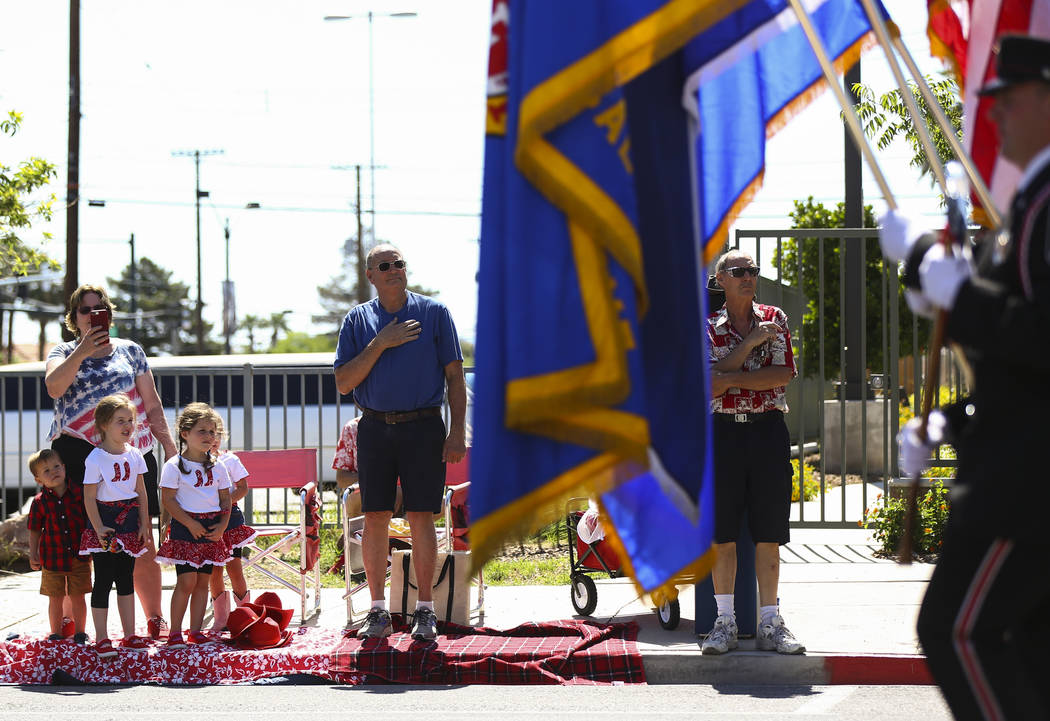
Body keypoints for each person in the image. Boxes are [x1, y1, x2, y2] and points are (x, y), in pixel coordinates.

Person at [880, 34, 1050, 721]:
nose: (996, 113)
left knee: (957, 630)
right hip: (1021, 468)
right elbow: (1019, 374)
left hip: (1027, 486)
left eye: (1010, 98)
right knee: (1028, 646)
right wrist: (947, 423)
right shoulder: (1031, 204)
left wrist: (944, 281)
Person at [333, 244, 467, 641]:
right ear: (371, 275)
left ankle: (425, 611)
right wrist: (381, 342)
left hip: (424, 427)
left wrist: (456, 431)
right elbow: (344, 382)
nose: (394, 270)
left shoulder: (435, 313)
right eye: (384, 266)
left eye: (399, 264)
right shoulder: (358, 320)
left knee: (421, 516)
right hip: (374, 429)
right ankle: (377, 612)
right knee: (374, 517)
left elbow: (455, 379)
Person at [44, 283, 174, 640]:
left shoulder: (131, 351)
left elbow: (151, 405)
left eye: (99, 308)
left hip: (131, 457)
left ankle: (154, 618)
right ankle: (73, 624)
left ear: (109, 313)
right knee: (82, 543)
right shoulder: (63, 351)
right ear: (74, 319)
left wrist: (172, 451)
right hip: (79, 455)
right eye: (85, 310)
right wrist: (82, 351)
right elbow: (54, 387)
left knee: (141, 540)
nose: (93, 314)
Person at [701, 249, 804, 656]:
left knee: (769, 534)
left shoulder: (774, 318)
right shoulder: (707, 326)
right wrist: (751, 344)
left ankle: (769, 623)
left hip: (767, 433)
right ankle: (724, 623)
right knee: (722, 534)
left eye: (753, 270)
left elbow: (782, 375)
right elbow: (707, 386)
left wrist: (730, 375)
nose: (748, 276)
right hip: (723, 436)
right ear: (720, 279)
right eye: (739, 271)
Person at [79, 394, 153, 658]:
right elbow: (89, 496)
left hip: (129, 521)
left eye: (130, 420)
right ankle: (101, 638)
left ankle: (130, 634)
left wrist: (145, 523)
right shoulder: (96, 457)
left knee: (125, 578)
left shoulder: (135, 454)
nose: (127, 426)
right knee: (103, 580)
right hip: (105, 522)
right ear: (103, 425)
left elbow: (142, 492)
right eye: (120, 421)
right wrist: (98, 527)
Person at [155, 403, 233, 649]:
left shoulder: (218, 465)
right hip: (185, 528)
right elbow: (167, 499)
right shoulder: (174, 465)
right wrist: (189, 523)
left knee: (203, 582)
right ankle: (175, 633)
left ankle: (196, 631)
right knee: (186, 582)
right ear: (185, 433)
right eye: (202, 431)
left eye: (212, 431)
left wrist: (221, 526)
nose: (209, 437)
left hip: (210, 529)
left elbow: (225, 499)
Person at [26, 448, 90, 645]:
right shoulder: (39, 502)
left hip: (78, 556)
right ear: (38, 480)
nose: (53, 471)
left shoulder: (80, 494)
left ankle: (80, 632)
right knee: (55, 597)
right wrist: (33, 553)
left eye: (56, 466)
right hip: (52, 558)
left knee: (77, 596)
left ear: (64, 467)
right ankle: (55, 633)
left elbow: (89, 521)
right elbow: (35, 529)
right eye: (46, 471)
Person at [207, 417, 256, 630]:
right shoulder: (191, 463)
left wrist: (226, 502)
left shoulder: (230, 460)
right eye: (208, 433)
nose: (213, 439)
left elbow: (243, 487)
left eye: (217, 434)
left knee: (235, 568)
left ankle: (246, 615)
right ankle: (221, 618)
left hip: (231, 520)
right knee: (214, 571)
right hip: (206, 520)